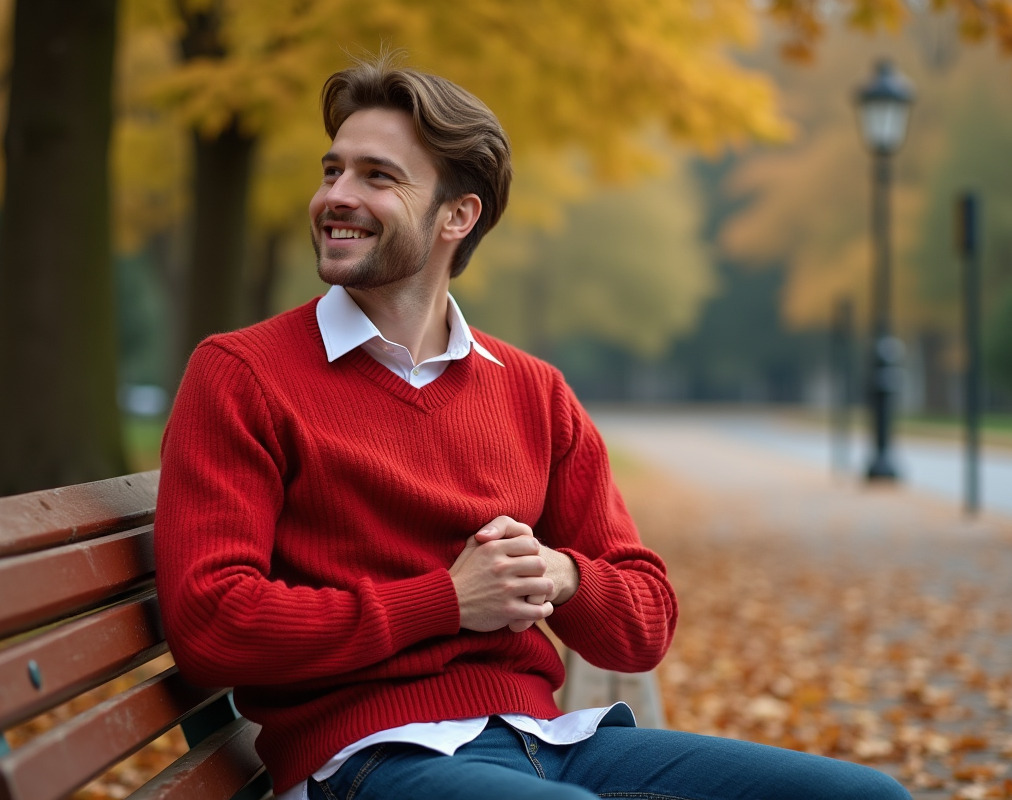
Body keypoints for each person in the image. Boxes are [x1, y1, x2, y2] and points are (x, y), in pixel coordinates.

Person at [155, 55, 911, 800]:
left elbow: (643, 622)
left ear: (458, 215)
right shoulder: (244, 373)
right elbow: (213, 624)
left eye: (376, 176)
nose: (335, 197)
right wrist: (447, 601)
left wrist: (563, 575)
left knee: (868, 797)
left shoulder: (533, 392)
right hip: (368, 757)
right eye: (331, 171)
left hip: (547, 742)